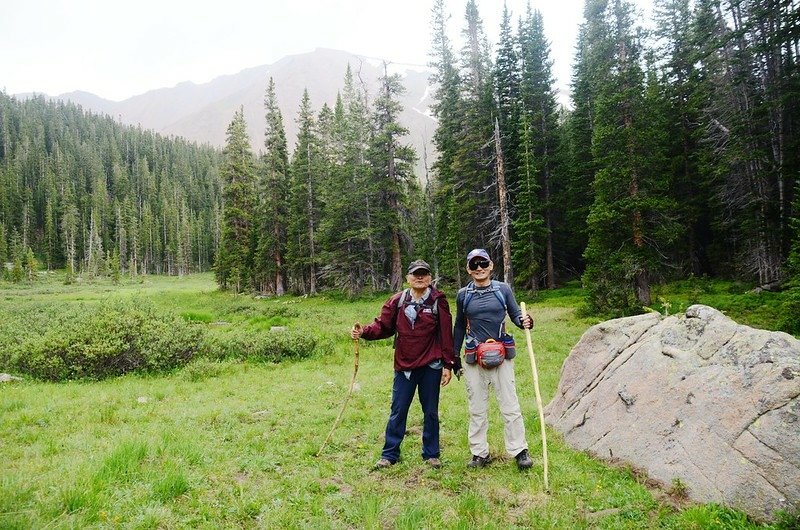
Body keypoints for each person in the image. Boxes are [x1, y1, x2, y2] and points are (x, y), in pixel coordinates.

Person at [351, 259, 456, 469]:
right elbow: (383, 327)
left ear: (430, 278)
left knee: (431, 411)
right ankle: (390, 454)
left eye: (424, 274)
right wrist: (364, 332)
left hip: (431, 366)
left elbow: (446, 335)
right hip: (404, 366)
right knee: (398, 409)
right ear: (407, 278)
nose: (419, 277)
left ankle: (431, 454)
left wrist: (448, 364)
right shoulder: (397, 301)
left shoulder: (438, 301)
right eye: (415, 274)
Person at [453, 248, 535, 470]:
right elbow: (459, 325)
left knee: (510, 404)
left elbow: (515, 313)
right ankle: (479, 453)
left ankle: (519, 450)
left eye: (483, 264)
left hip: (502, 355)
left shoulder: (503, 289)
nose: (479, 268)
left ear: (491, 266)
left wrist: (525, 321)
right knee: (477, 407)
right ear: (468, 269)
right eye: (474, 265)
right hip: (473, 357)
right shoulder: (463, 295)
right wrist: (454, 358)